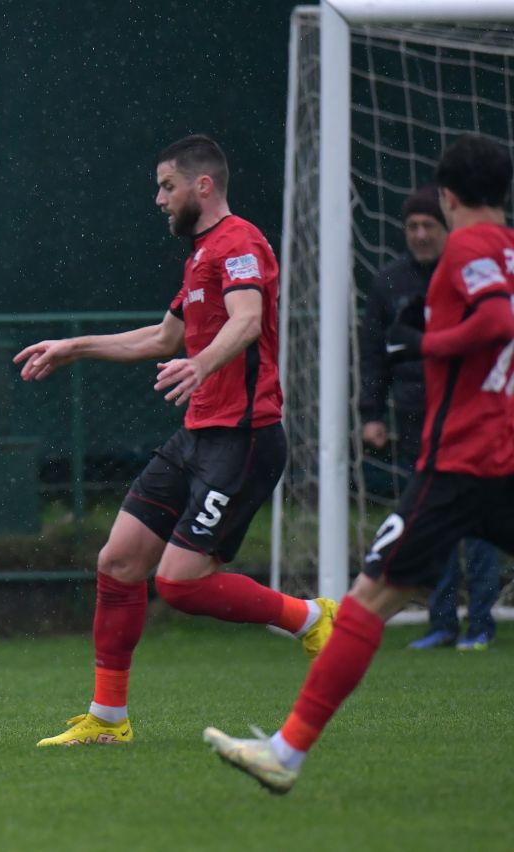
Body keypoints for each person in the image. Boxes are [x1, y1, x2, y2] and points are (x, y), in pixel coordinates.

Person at [204, 134, 514, 794]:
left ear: (450, 197)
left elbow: (493, 322)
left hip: (460, 464)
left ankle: (285, 754)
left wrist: (429, 343)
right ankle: (285, 751)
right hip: (501, 454)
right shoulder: (509, 250)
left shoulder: (469, 247)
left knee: (368, 599)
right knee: (376, 596)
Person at [14, 134, 337, 749]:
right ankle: (108, 720)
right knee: (118, 562)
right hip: (196, 437)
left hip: (242, 438)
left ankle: (312, 618)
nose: (158, 199)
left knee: (181, 584)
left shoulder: (239, 242)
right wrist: (72, 348)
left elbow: (245, 320)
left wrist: (204, 364)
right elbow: (162, 341)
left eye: (167, 186)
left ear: (202, 186)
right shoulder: (199, 257)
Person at [359, 184, 500, 652]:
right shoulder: (389, 282)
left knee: (478, 528)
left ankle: (480, 623)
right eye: (412, 227)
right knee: (428, 526)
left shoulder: (474, 274)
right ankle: (441, 623)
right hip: (417, 420)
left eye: (429, 226)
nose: (420, 235)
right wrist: (371, 413)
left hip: (476, 421)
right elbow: (374, 355)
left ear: (447, 226)